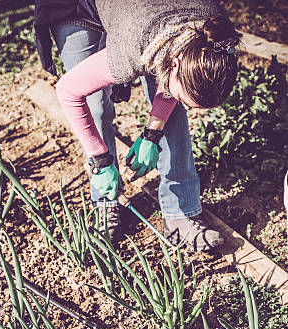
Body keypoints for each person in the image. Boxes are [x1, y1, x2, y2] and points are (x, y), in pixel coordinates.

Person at [34, 0, 242, 249]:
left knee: (172, 113)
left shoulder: (215, 34)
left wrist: (152, 133)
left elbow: (170, 85)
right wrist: (101, 161)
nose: (186, 106)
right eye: (186, 100)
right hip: (75, 6)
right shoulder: (135, 43)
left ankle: (180, 213)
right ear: (174, 63)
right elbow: (68, 91)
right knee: (94, 103)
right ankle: (105, 200)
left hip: (142, 14)